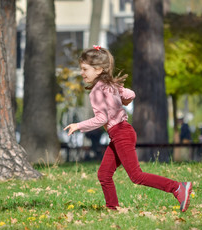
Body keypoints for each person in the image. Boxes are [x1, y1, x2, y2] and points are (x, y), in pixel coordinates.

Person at [64, 46, 192, 212]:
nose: (82, 73)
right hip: (123, 131)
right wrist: (121, 101)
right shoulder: (110, 85)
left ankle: (177, 187)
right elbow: (130, 94)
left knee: (136, 176)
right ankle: (112, 209)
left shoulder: (96, 91)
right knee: (104, 174)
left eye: (85, 69)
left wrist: (78, 125)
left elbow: (102, 118)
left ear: (98, 70)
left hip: (120, 133)